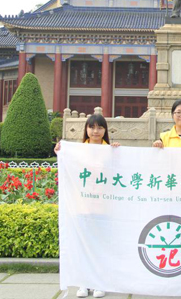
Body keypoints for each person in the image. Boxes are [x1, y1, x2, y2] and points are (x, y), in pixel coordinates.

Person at [54, 114, 119, 298]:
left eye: (100, 127)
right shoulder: (78, 150)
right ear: (86, 129)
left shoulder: (111, 151)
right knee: (83, 244)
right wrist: (60, 151)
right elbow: (68, 166)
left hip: (103, 206)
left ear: (105, 130)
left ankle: (99, 282)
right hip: (82, 204)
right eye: (92, 127)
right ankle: (83, 282)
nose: (95, 131)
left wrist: (118, 153)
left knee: (100, 245)